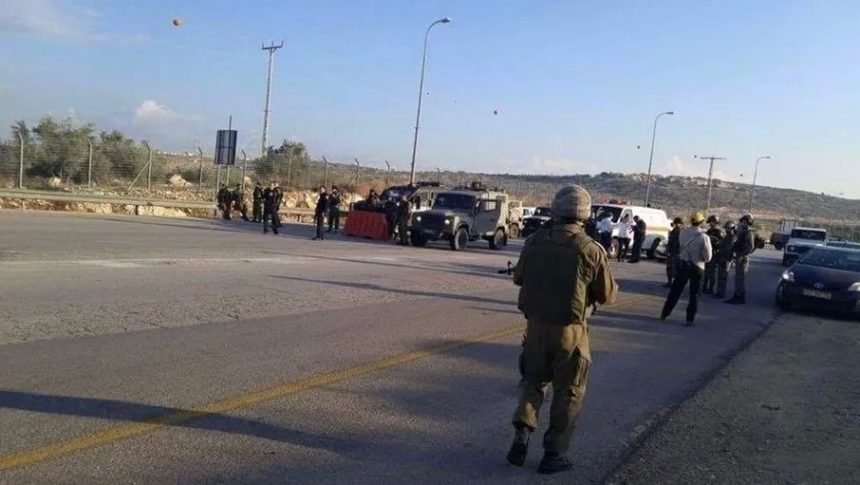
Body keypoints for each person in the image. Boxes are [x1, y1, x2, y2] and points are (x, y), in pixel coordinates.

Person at [507, 185, 618, 475]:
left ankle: (523, 430)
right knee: (568, 392)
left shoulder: (534, 241)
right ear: (585, 214)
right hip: (570, 333)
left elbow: (519, 278)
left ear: (556, 209)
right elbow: (607, 295)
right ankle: (553, 454)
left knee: (532, 382)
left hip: (535, 327)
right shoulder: (590, 248)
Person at [661, 212, 713, 326]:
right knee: (694, 294)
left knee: (675, 291)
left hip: (683, 265)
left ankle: (665, 313)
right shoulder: (704, 237)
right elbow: (708, 257)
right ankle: (690, 319)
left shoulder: (683, 233)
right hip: (697, 266)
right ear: (701, 222)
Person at [726, 214, 755, 304]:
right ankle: (737, 295)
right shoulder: (743, 232)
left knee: (740, 278)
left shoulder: (749, 233)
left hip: (742, 258)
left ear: (746, 222)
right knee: (738, 278)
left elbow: (750, 247)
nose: (741, 223)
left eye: (743, 221)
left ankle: (739, 297)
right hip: (740, 257)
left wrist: (741, 255)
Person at [702, 215, 724, 294]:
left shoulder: (719, 232)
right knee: (706, 271)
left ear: (716, 222)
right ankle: (704, 286)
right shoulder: (709, 231)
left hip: (714, 253)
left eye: (712, 222)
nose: (711, 224)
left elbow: (721, 242)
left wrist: (715, 240)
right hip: (708, 252)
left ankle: (710, 288)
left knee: (711, 272)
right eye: (710, 222)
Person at [715, 220, 737, 299]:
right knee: (720, 276)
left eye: (728, 228)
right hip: (722, 257)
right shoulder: (727, 237)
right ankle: (719, 292)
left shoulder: (732, 237)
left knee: (723, 276)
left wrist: (727, 258)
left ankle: (721, 293)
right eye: (726, 228)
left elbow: (730, 249)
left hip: (726, 258)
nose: (726, 229)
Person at [664, 217, 684, 288]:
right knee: (669, 267)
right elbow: (670, 241)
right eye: (677, 223)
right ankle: (670, 282)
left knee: (675, 268)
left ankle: (674, 283)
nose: (678, 225)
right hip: (672, 251)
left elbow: (679, 243)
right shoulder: (674, 231)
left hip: (676, 252)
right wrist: (667, 249)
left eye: (679, 224)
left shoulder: (680, 232)